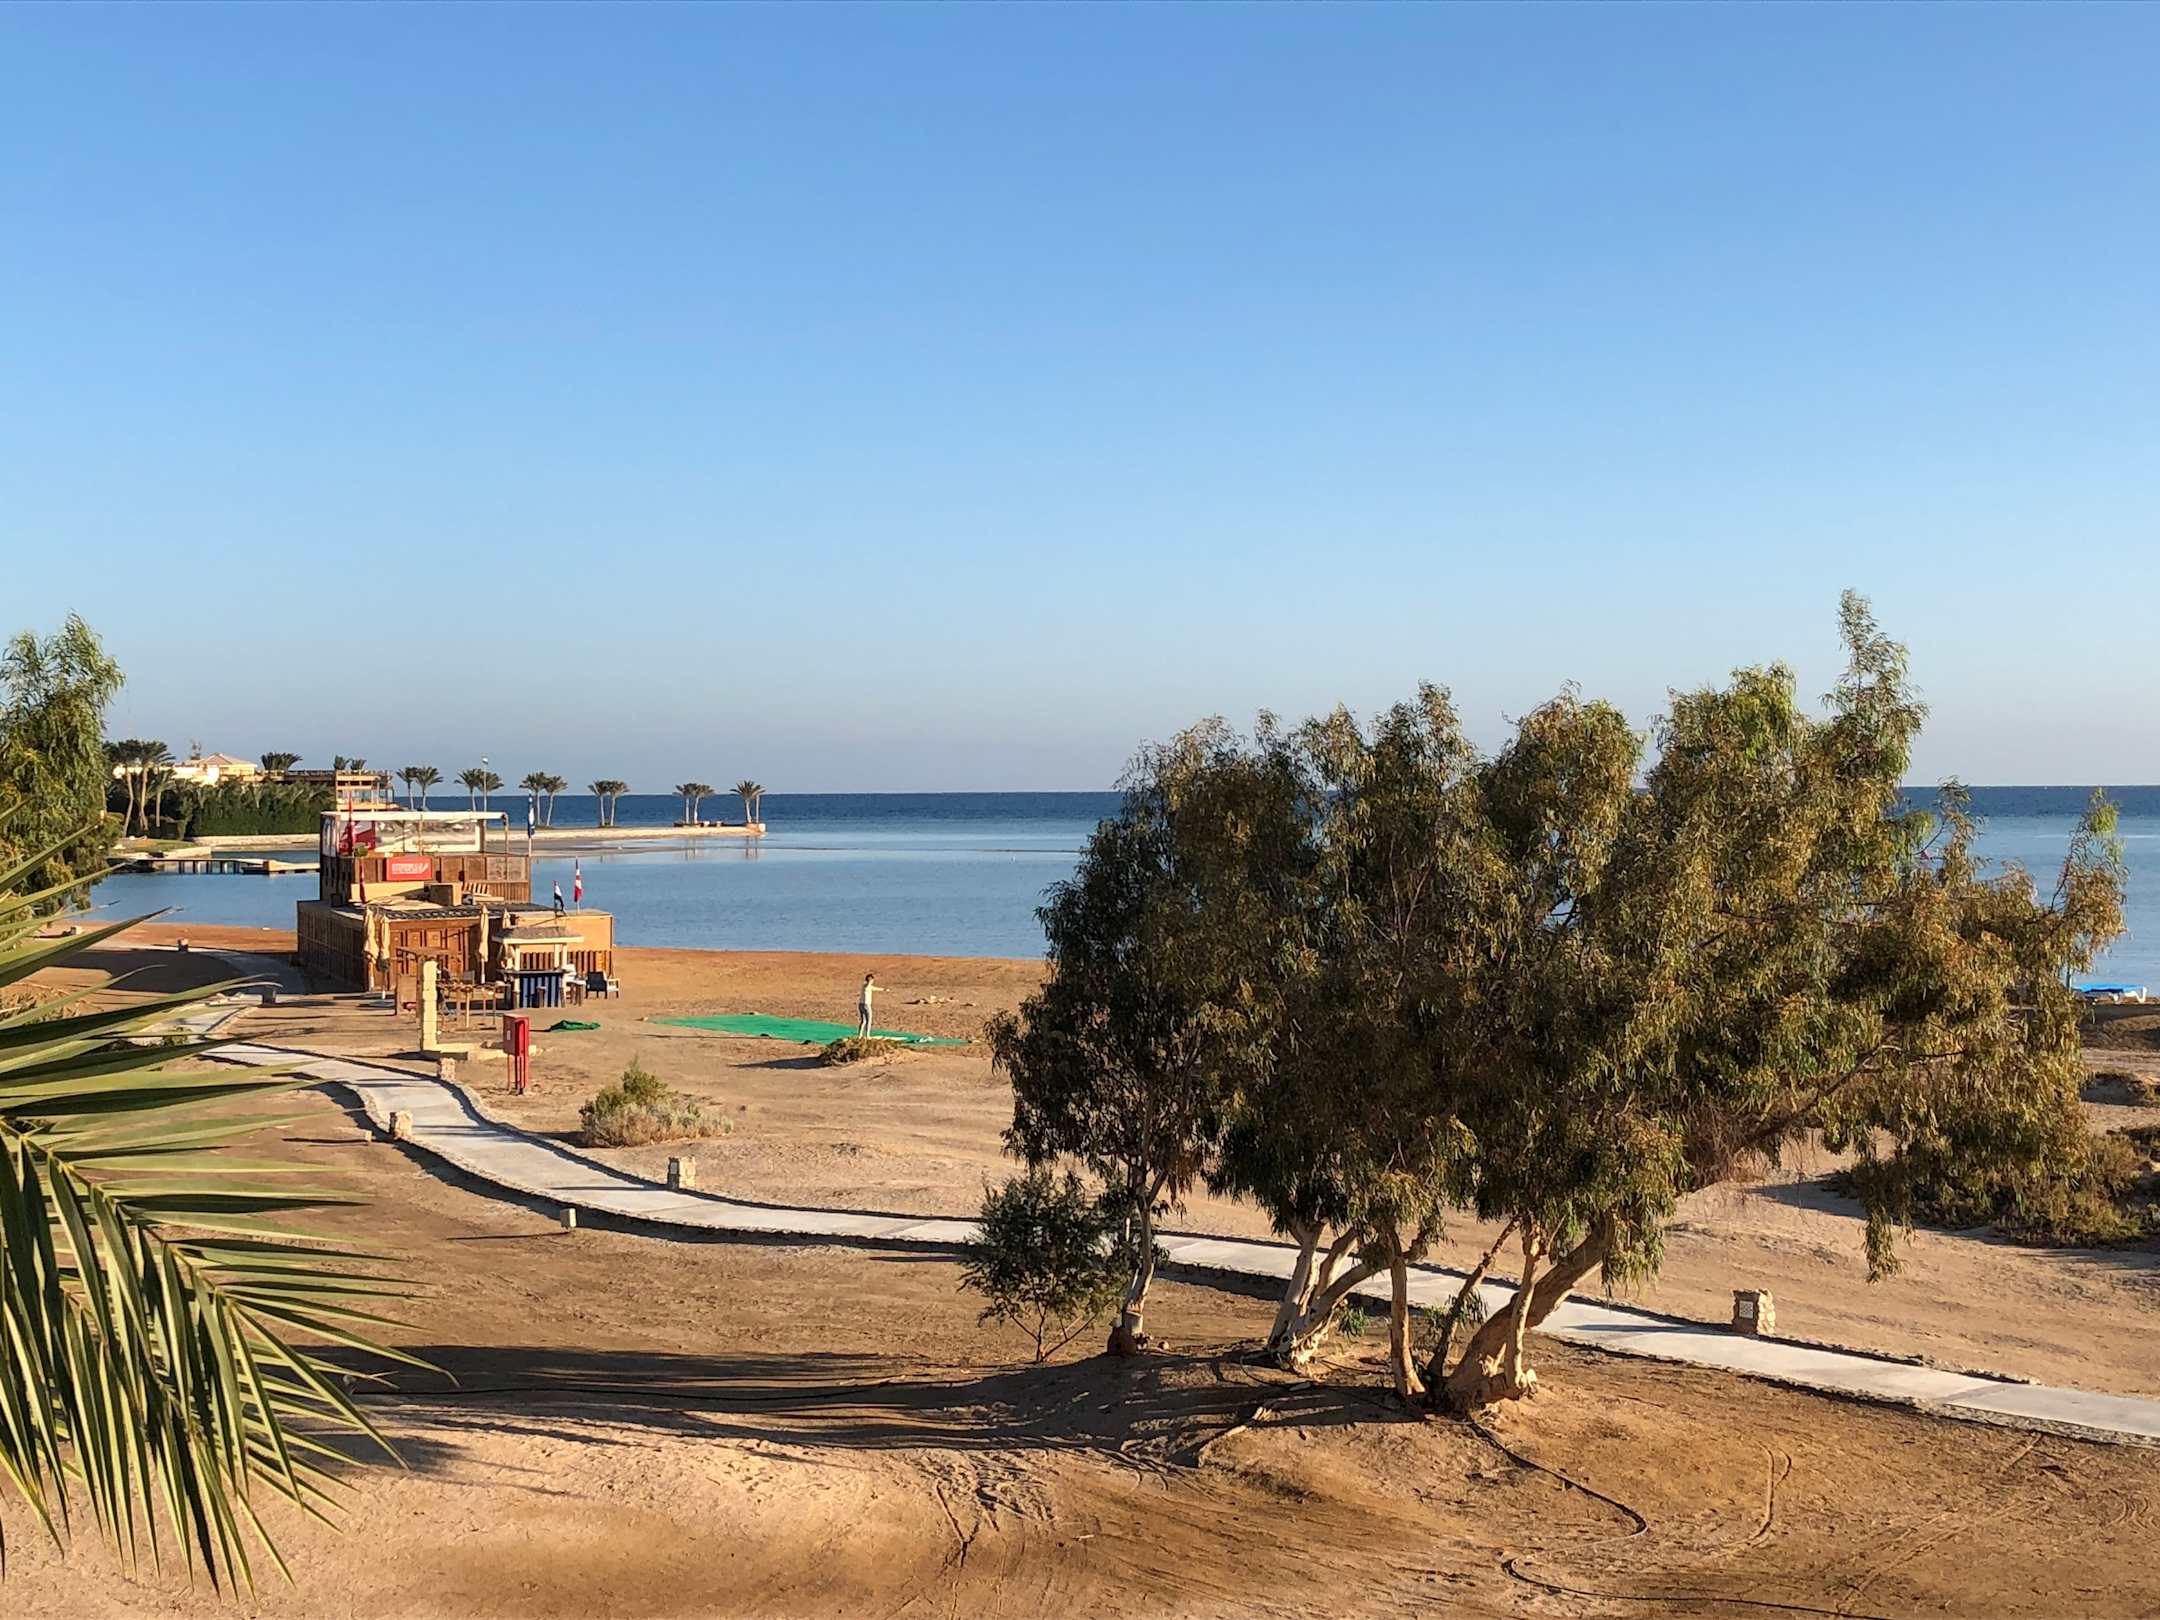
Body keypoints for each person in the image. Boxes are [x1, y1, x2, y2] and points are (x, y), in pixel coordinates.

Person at [857, 972, 878, 1037]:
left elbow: (874, 988)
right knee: (868, 1020)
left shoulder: (864, 985)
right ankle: (867, 1035)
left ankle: (860, 1035)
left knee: (863, 1021)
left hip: (861, 1004)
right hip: (866, 1005)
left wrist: (884, 989)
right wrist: (869, 980)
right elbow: (869, 986)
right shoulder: (867, 986)